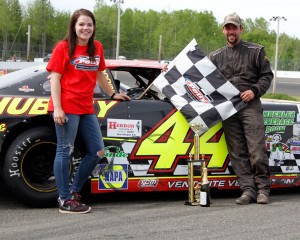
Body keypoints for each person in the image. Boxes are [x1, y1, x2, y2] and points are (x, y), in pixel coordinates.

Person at [46, 8, 130, 214]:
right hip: (66, 107)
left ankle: (74, 192)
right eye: (81, 24)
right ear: (74, 27)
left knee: (97, 151)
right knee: (64, 151)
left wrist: (112, 93)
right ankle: (64, 199)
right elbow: (54, 78)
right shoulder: (63, 47)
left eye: (89, 25)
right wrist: (57, 108)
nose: (86, 28)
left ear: (93, 28)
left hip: (85, 107)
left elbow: (101, 73)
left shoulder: (97, 47)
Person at [209, 13, 273, 204]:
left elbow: (267, 76)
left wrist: (254, 91)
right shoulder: (215, 56)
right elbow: (197, 74)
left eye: (234, 28)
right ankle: (248, 191)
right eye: (227, 28)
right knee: (237, 152)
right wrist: (169, 68)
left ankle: (263, 190)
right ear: (223, 30)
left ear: (240, 29)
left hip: (250, 105)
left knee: (257, 149)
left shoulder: (256, 51)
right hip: (228, 108)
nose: (231, 31)